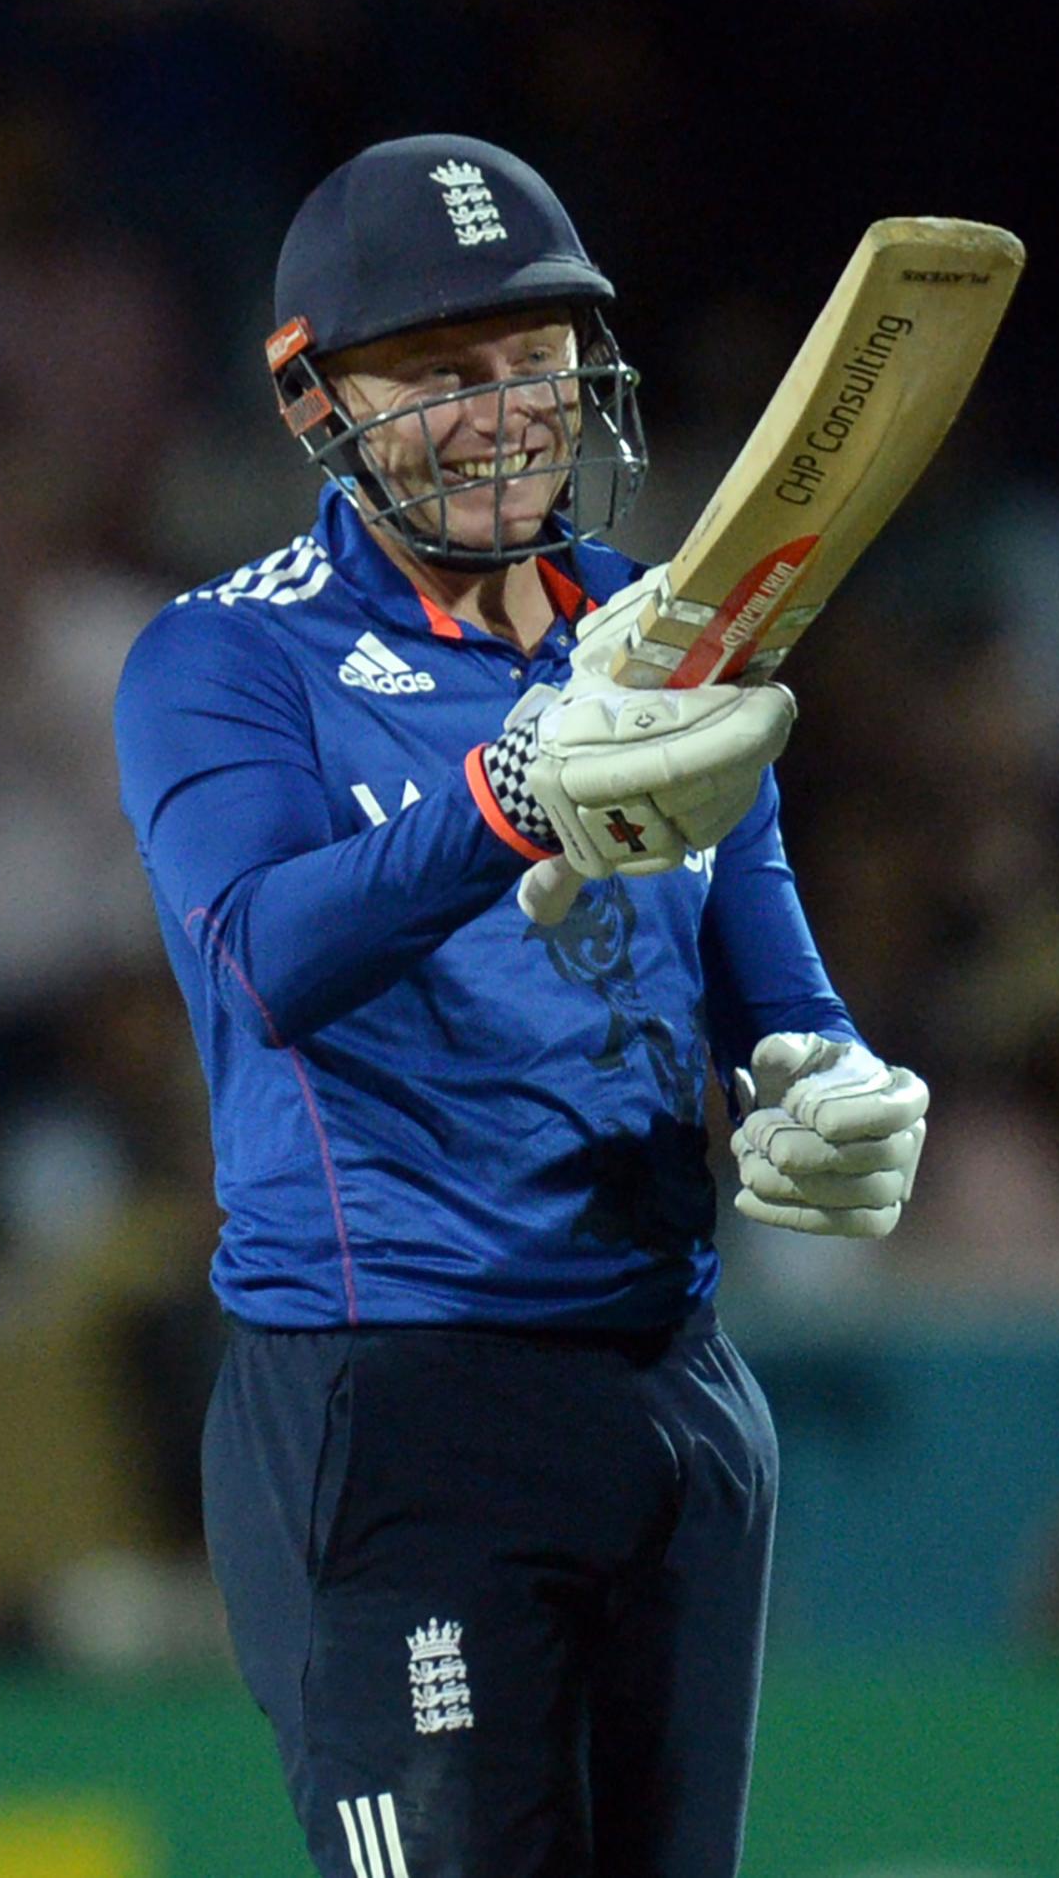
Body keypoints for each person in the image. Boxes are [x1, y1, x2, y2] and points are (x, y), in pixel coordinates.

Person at [113, 134, 929, 1878]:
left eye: (537, 360)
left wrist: (831, 1081)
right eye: (443, 372)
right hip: (397, 1402)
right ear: (310, 399)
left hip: (677, 1399)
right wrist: (509, 794)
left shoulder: (655, 632)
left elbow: (762, 971)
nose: (505, 411)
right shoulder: (225, 659)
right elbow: (269, 955)